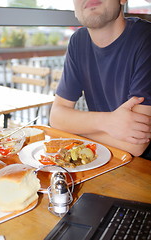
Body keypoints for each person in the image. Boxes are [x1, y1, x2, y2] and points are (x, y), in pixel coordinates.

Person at [50, 0, 151, 159]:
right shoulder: (78, 42)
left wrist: (73, 127)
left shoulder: (146, 39)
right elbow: (56, 116)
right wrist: (108, 122)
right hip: (103, 160)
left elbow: (135, 145)